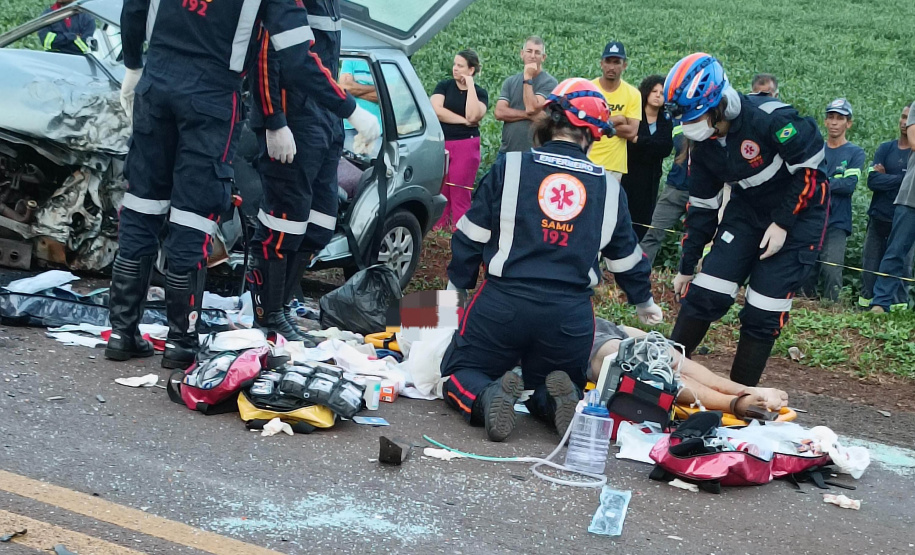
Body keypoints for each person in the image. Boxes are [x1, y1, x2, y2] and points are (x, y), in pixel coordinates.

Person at [106, 0, 380, 366]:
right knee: (193, 218)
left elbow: (135, 6)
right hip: (211, 96)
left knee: (142, 205)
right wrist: (352, 110)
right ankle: (180, 342)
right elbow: (297, 57)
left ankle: (122, 333)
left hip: (157, 83)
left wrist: (133, 65)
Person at [440, 78, 662, 442]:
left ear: (548, 119)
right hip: (569, 317)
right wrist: (644, 301)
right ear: (593, 135)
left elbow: (470, 235)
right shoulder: (608, 187)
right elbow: (625, 257)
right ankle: (555, 400)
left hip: (503, 304)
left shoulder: (510, 167)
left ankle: (487, 396)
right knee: (558, 379)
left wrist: (457, 286)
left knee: (460, 371)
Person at [665, 53, 828, 387]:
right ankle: (661, 378)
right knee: (704, 293)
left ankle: (741, 397)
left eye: (696, 116)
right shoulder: (703, 144)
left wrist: (783, 222)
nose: (690, 126)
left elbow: (811, 171)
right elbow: (703, 207)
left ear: (718, 105)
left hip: (797, 217)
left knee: (761, 312)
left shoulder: (771, 120)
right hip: (747, 212)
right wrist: (687, 265)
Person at [248, 0, 373, 342]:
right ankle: (270, 315)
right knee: (283, 224)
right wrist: (274, 120)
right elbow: (266, 55)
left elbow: (325, 62)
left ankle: (282, 307)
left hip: (325, 121)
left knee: (318, 225)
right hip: (294, 119)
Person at [589, 319, 788, 417]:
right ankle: (733, 403)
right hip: (582, 338)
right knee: (643, 368)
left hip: (599, 324)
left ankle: (743, 390)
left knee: (661, 351)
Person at [800, 99, 865, 302]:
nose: (834, 122)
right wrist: (832, 181)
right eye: (831, 117)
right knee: (805, 269)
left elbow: (848, 186)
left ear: (849, 123)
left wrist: (821, 182)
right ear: (826, 121)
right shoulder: (815, 148)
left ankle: (833, 310)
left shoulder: (855, 153)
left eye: (840, 118)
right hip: (810, 217)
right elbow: (803, 180)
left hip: (837, 221)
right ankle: (803, 306)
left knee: (832, 269)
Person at [859, 103, 914, 309]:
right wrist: (902, 178)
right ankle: (870, 307)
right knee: (873, 266)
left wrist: (889, 178)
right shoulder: (886, 148)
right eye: (903, 116)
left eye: (909, 118)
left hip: (902, 214)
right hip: (882, 215)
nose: (905, 122)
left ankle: (898, 310)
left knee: (904, 268)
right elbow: (873, 181)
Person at [431, 49, 489, 230]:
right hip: (443, 143)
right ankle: (438, 231)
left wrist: (470, 86)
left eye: (460, 66)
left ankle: (460, 232)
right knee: (441, 190)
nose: (455, 68)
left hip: (466, 145)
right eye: (454, 64)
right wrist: (463, 120)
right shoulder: (444, 86)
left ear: (471, 70)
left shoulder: (480, 93)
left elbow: (474, 115)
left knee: (459, 191)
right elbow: (435, 110)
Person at [619, 75, 674, 240]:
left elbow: (664, 148)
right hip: (630, 174)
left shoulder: (666, 120)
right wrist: (648, 145)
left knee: (644, 220)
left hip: (651, 178)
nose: (658, 95)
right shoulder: (635, 116)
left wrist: (639, 141)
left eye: (662, 93)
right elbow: (631, 145)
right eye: (654, 91)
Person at [494, 36, 559, 153]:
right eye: (529, 51)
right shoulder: (510, 81)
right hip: (507, 151)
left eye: (537, 52)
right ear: (522, 54)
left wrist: (528, 77)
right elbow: (499, 112)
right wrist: (528, 116)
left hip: (536, 152)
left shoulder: (550, 82)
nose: (532, 56)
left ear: (543, 58)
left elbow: (531, 107)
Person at [588, 41, 641, 181]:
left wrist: (600, 124)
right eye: (608, 61)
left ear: (624, 65)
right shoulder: (589, 89)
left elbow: (631, 132)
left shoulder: (633, 94)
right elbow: (583, 124)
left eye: (616, 62)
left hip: (614, 166)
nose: (612, 67)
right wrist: (618, 119)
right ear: (601, 63)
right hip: (588, 160)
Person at [640, 124, 688, 266]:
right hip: (674, 188)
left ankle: (689, 281)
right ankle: (638, 274)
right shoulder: (679, 122)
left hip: (703, 193)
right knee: (652, 233)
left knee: (695, 241)